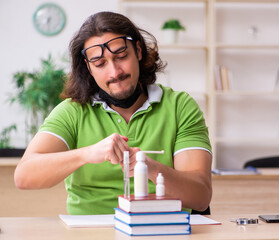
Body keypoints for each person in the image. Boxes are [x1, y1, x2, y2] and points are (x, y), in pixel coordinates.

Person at [14, 11, 212, 215]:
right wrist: (87, 153)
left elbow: (200, 196)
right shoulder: (73, 111)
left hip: (164, 230)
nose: (115, 72)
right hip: (90, 233)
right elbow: (24, 176)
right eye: (100, 64)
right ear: (89, 68)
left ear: (138, 51)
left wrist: (151, 169)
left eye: (121, 56)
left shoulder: (179, 107)